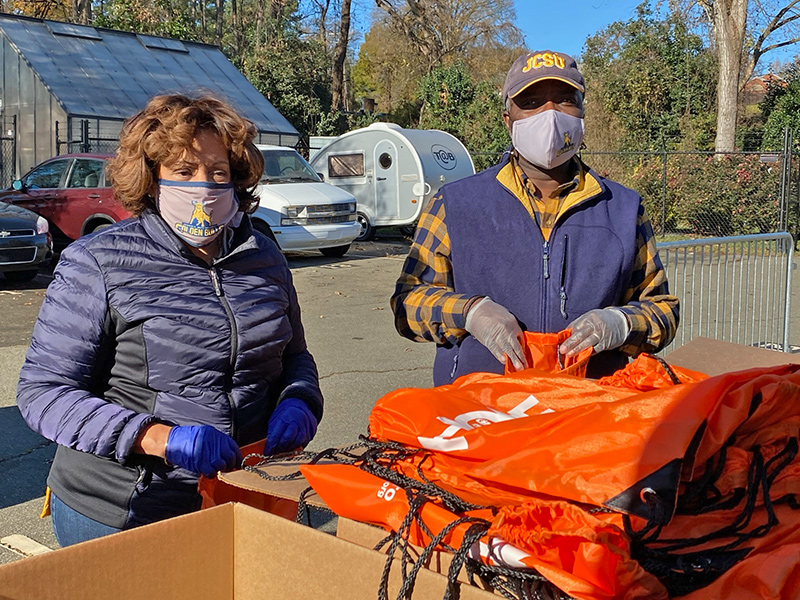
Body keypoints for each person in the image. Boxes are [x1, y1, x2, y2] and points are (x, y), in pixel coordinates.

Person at [16, 93, 323, 546]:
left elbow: (295, 356)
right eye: (183, 171)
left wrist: (301, 400)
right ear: (152, 179)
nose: (204, 186)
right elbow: (43, 393)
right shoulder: (98, 261)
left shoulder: (264, 256)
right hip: (124, 507)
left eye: (218, 173)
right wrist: (157, 437)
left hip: (244, 491)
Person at [391, 50, 679, 385]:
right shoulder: (456, 203)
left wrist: (621, 324)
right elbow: (408, 301)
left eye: (565, 100)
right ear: (508, 119)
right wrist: (470, 313)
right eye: (530, 103)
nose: (550, 114)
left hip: (591, 405)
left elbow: (662, 310)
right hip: (480, 405)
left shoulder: (624, 209)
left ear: (582, 113)